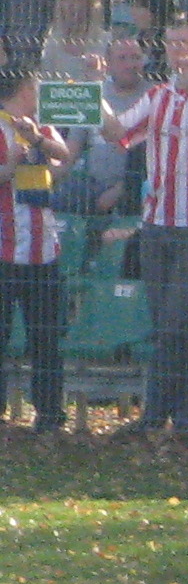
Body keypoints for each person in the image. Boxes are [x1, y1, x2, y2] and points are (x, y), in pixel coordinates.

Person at [101, 10, 188, 437]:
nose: (177, 52)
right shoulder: (156, 96)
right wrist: (93, 91)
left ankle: (173, 415)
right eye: (171, 43)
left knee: (177, 323)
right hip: (157, 224)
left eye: (185, 43)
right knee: (166, 327)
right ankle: (170, 415)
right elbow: (117, 132)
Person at [0, 67, 72, 433]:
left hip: (43, 249)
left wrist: (38, 141)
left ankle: (49, 414)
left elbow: (63, 160)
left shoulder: (38, 124)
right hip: (4, 251)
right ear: (23, 87)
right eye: (35, 86)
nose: (39, 92)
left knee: (46, 334)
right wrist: (12, 162)